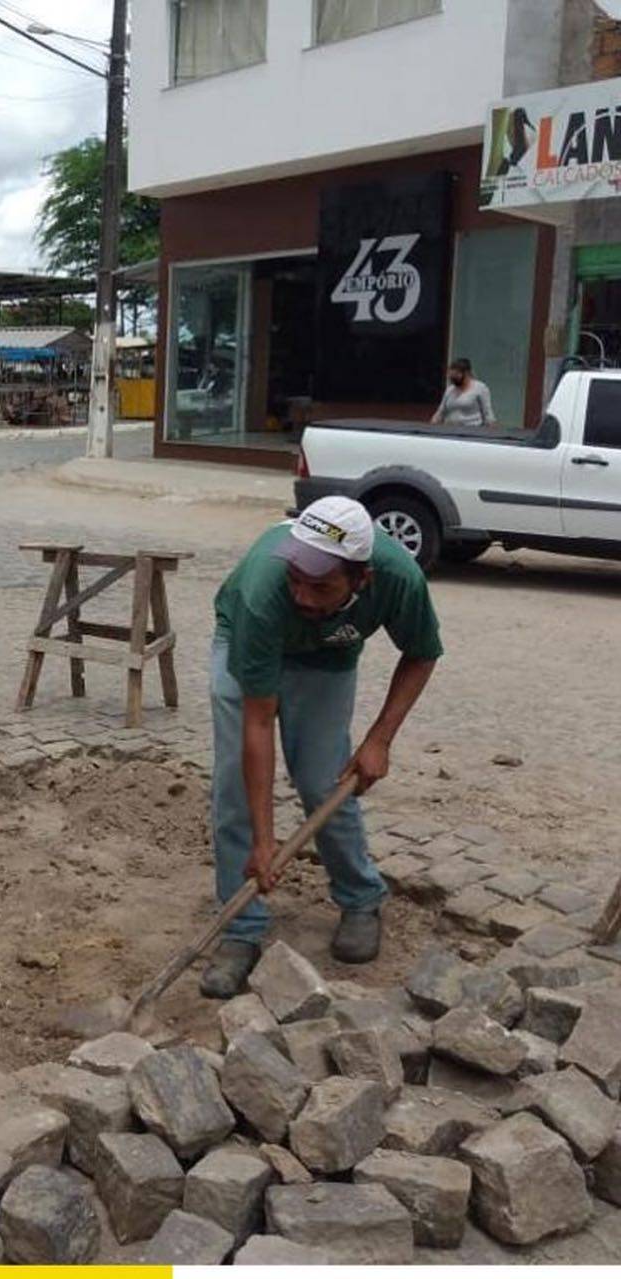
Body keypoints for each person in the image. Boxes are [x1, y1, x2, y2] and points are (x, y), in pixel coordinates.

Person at [200, 496, 443, 998]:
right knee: (234, 789)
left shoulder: (399, 579)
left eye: (321, 585)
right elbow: (258, 725)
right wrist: (266, 843)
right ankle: (242, 928)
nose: (304, 596)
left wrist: (380, 741)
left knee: (323, 780)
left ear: (362, 579)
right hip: (248, 642)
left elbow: (421, 655)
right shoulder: (264, 591)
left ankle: (360, 899)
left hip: (329, 654)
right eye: (297, 579)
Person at [431, 358, 495, 429]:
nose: (453, 378)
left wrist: (491, 430)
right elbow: (441, 412)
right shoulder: (450, 390)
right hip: (450, 430)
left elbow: (487, 413)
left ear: (466, 373)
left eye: (456, 375)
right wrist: (432, 425)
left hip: (472, 431)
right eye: (452, 375)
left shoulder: (480, 388)